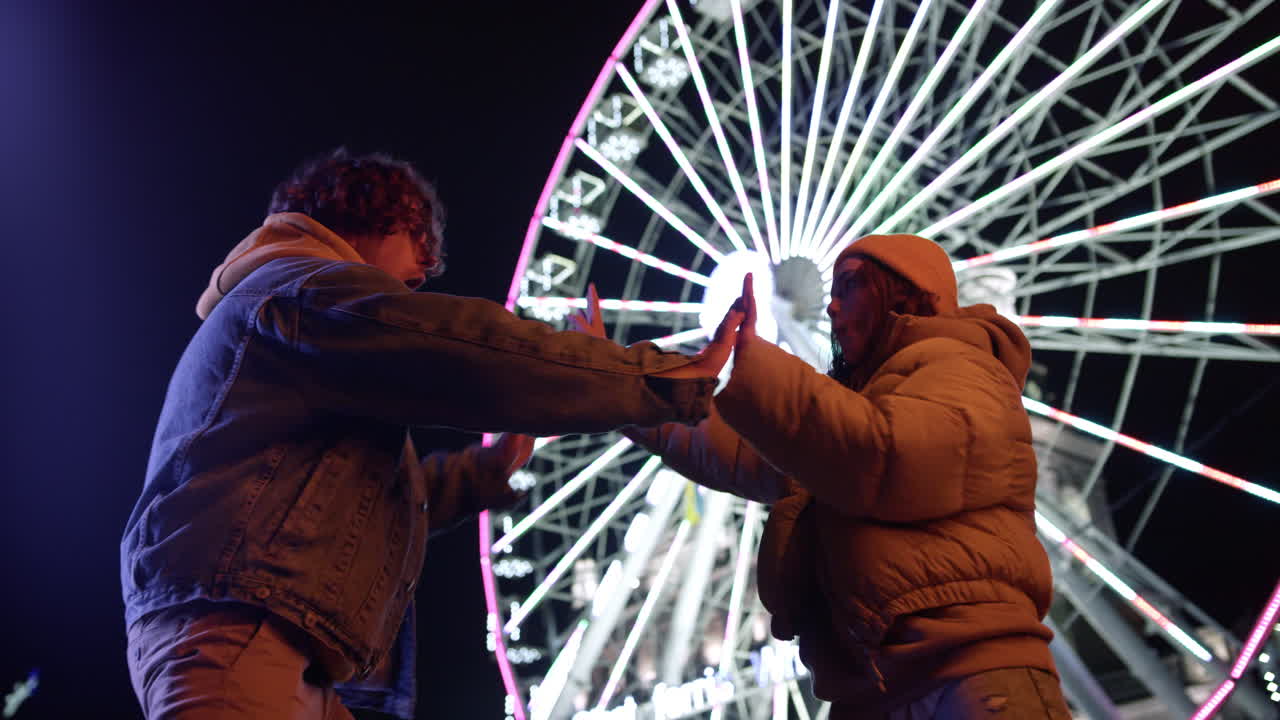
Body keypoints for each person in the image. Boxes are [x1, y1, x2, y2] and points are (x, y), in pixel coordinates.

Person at [121, 148, 743, 720]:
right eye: (418, 241)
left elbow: (348, 501)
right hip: (243, 641)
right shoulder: (302, 291)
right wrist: (662, 374)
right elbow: (456, 349)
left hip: (270, 646)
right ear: (371, 217)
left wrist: (487, 469)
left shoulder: (287, 314)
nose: (423, 271)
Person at [572, 234, 1071, 719]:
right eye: (831, 293)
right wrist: (616, 382)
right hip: (871, 687)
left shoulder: (962, 365)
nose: (833, 308)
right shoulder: (851, 411)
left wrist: (756, 363)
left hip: (967, 672)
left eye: (849, 286)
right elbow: (739, 450)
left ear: (906, 289)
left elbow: (883, 455)